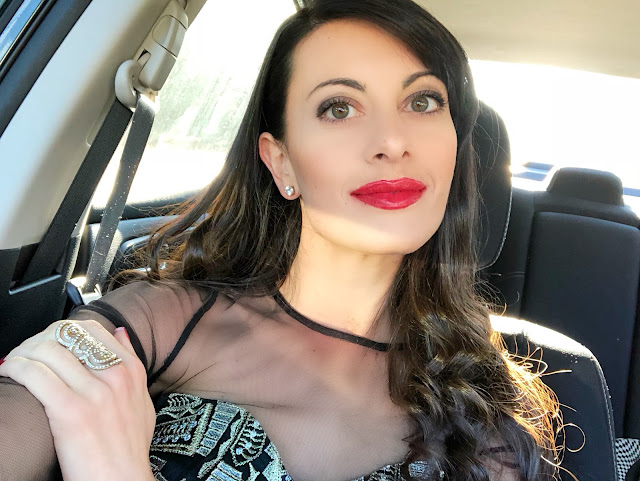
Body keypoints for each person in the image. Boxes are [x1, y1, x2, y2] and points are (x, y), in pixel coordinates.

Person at [0, 0, 561, 479]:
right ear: (281, 161)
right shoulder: (160, 321)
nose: (392, 141)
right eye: (339, 108)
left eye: (422, 102)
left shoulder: (488, 426)